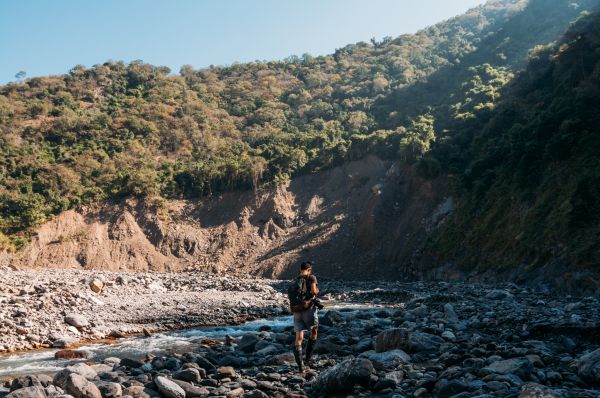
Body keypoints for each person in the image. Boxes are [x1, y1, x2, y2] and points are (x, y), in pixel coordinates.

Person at [288, 261, 320, 372]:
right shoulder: (311, 277)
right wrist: (317, 291)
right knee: (314, 331)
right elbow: (314, 291)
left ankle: (301, 367)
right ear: (309, 269)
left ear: (300, 269)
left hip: (296, 310)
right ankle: (308, 358)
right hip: (308, 309)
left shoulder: (295, 280)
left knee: (299, 338)